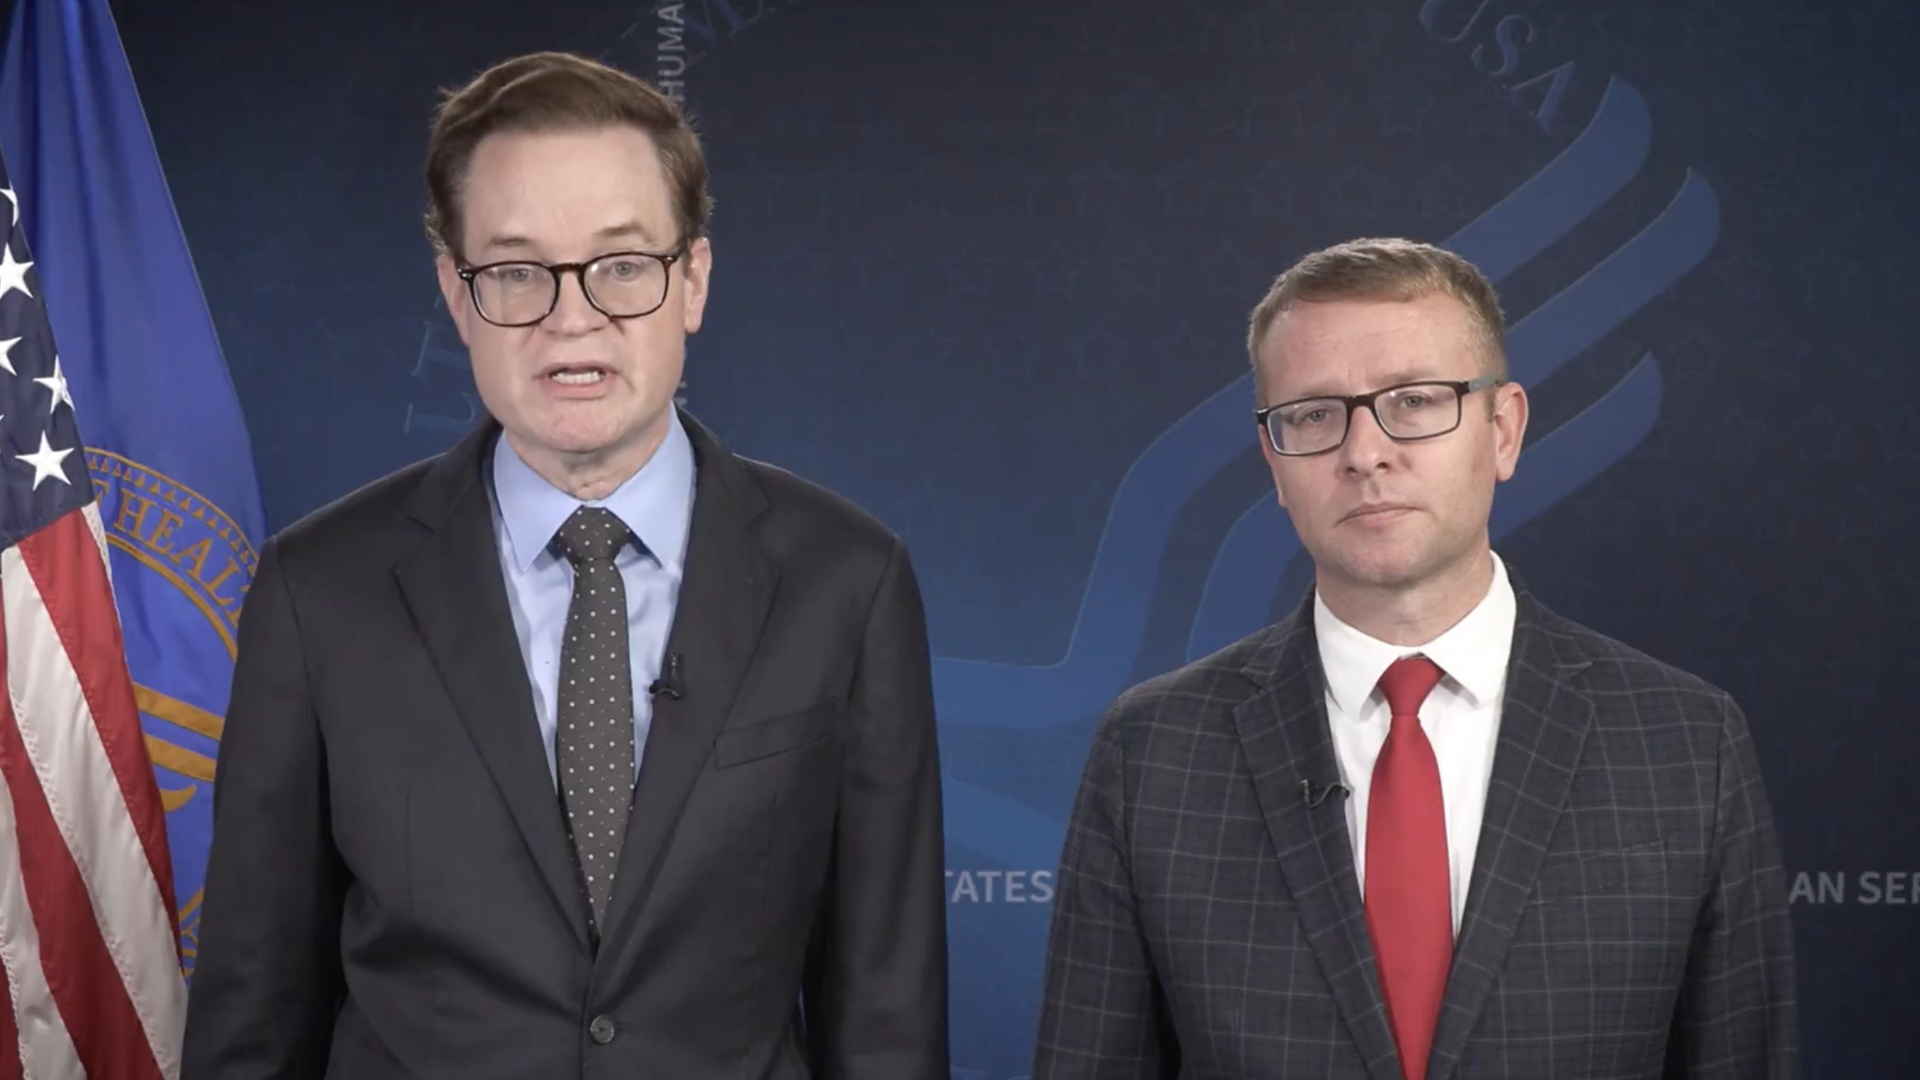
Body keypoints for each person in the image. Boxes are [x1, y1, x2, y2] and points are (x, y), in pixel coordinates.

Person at [181, 51, 949, 1080]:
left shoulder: (848, 582)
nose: (571, 315)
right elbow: (254, 1015)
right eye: (515, 271)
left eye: (622, 264)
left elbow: (887, 1023)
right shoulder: (316, 592)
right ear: (457, 295)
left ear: (694, 283)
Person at [1031, 238, 1799, 1079]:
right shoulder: (1153, 750)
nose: (1365, 452)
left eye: (1415, 400)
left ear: (1502, 431)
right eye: (1316, 415)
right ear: (1275, 466)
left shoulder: (1686, 742)